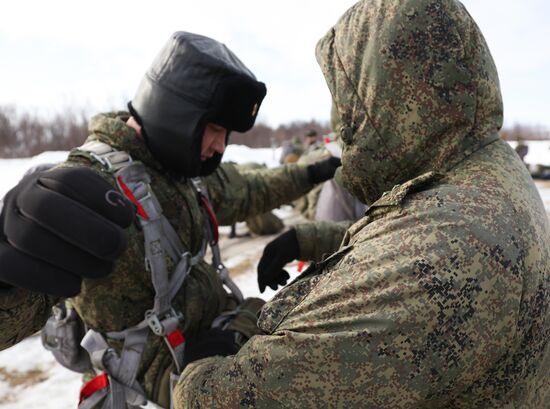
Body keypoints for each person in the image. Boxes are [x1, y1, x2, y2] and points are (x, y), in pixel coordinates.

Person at [173, 1, 550, 408]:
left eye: (349, 100)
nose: (344, 121)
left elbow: (226, 399)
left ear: (385, 98)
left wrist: (200, 373)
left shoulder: (443, 252)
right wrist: (309, 239)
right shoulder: (484, 174)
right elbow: (406, 232)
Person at [0, 32, 340, 408]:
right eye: (214, 129)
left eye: (226, 134)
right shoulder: (95, 189)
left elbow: (250, 188)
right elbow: (21, 307)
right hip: (152, 373)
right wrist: (10, 260)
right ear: (175, 113)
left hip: (212, 334)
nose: (220, 146)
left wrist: (313, 172)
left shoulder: (182, 173)